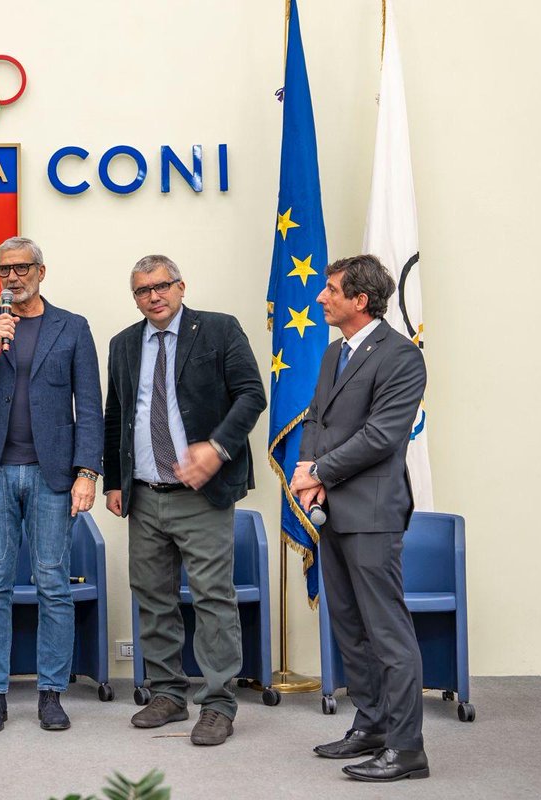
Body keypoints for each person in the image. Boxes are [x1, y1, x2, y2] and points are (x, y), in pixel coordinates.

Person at [103, 255, 266, 747]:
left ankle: (217, 703)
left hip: (202, 493)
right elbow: (118, 414)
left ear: (180, 286)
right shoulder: (124, 344)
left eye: (162, 286)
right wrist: (115, 479)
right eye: (142, 290)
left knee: (213, 597)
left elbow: (252, 396)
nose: (153, 296)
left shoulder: (217, 330)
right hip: (146, 494)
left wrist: (216, 449)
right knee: (153, 597)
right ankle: (168, 693)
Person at [0, 236, 103, 733]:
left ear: (41, 270)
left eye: (20, 268)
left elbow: (90, 407)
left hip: (52, 473)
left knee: (52, 583)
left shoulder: (73, 328)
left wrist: (87, 472)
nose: (11, 278)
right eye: (3, 270)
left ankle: (51, 693)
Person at [289, 253, 429, 782]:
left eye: (330, 290)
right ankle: (370, 725)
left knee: (387, 631)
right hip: (332, 512)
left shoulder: (400, 357)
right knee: (350, 628)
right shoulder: (333, 354)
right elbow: (317, 420)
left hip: (372, 514)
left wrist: (319, 469)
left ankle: (407, 748)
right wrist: (309, 474)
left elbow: (382, 436)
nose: (321, 297)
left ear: (359, 300)